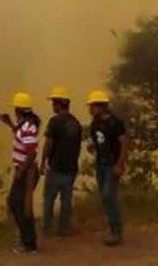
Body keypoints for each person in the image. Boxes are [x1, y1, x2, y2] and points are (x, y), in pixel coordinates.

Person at [0, 91, 40, 255]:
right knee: (19, 204)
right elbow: (20, 136)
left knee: (18, 204)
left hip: (26, 172)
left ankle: (29, 243)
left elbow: (32, 153)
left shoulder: (28, 127)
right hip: (24, 171)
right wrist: (9, 124)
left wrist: (20, 171)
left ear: (19, 110)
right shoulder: (24, 126)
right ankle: (27, 239)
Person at [87, 89, 128, 247]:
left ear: (101, 107)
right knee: (106, 197)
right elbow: (97, 142)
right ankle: (113, 228)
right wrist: (93, 147)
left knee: (108, 194)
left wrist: (120, 164)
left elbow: (124, 143)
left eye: (93, 106)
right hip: (101, 164)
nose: (90, 110)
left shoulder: (115, 122)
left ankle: (116, 231)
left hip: (112, 164)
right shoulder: (95, 124)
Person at [40, 86, 82, 237]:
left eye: (53, 102)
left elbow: (49, 143)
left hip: (56, 168)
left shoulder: (55, 121)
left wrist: (43, 162)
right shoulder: (76, 123)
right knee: (66, 201)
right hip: (71, 169)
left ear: (58, 104)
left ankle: (46, 228)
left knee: (49, 199)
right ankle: (63, 228)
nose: (52, 106)